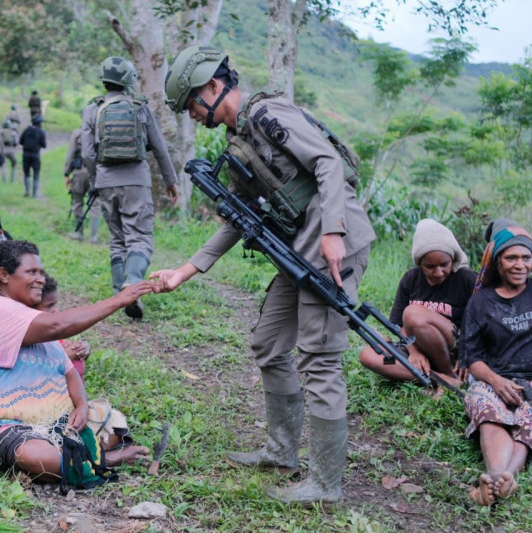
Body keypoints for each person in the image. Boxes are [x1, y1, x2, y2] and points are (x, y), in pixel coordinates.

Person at [155, 46, 375, 504]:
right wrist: (186, 270)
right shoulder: (240, 141)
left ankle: (326, 485)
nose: (192, 115)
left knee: (319, 358)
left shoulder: (268, 114)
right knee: (269, 343)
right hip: (300, 250)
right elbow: (237, 218)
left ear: (214, 88)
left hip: (335, 243)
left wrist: (332, 231)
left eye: (193, 104)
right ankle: (281, 451)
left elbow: (328, 164)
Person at [0, 240, 151, 488]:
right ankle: (104, 460)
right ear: (4, 275)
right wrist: (119, 300)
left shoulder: (31, 318)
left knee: (114, 425)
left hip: (52, 421)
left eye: (41, 272)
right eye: (32, 272)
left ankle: (75, 455)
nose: (40, 279)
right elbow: (59, 325)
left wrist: (82, 406)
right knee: (38, 457)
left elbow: (69, 372)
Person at [459, 218, 532, 506]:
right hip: (496, 380)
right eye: (511, 258)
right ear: (497, 263)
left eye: (526, 257)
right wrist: (496, 382)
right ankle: (498, 475)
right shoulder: (480, 302)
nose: (519, 264)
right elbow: (472, 359)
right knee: (488, 412)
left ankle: (504, 477)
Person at [81, 56, 179, 319]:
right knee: (140, 237)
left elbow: (88, 154)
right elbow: (159, 147)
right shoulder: (140, 108)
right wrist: (171, 182)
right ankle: (132, 282)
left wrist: (95, 181)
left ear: (104, 80)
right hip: (136, 181)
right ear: (128, 80)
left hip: (105, 182)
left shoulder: (92, 110)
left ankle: (119, 295)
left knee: (117, 239)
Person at [359, 219, 476, 387]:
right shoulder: (410, 279)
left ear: (453, 259)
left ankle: (449, 373)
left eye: (444, 264)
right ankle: (442, 379)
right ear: (419, 262)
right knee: (369, 354)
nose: (438, 272)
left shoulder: (466, 279)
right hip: (418, 347)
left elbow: (482, 322)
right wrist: (413, 351)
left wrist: (468, 354)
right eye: (430, 266)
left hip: (456, 349)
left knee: (413, 313)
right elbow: (398, 325)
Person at [39, 273, 91, 382]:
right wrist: (65, 356)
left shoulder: (49, 334)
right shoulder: (23, 337)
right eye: (49, 306)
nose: (55, 311)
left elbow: (63, 346)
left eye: (55, 305)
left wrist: (82, 348)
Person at [64, 127, 100, 243]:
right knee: (95, 204)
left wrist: (66, 173)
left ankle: (79, 234)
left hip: (79, 173)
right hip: (95, 172)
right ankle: (93, 236)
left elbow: (70, 153)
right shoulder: (99, 131)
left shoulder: (77, 133)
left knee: (77, 202)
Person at [19, 114, 47, 198]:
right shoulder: (41, 132)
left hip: (26, 154)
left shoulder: (26, 130)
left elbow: (20, 141)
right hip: (35, 155)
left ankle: (27, 191)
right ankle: (34, 194)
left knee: (26, 173)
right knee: (36, 174)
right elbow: (44, 145)